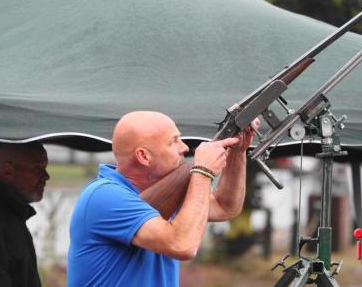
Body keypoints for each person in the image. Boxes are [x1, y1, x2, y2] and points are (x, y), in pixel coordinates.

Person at [68, 111, 257, 286]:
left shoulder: (168, 192)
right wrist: (203, 172)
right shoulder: (104, 196)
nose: (184, 147)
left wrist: (237, 152)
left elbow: (225, 207)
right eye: (173, 142)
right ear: (144, 156)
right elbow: (182, 245)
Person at [0, 142, 49, 287]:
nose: (46, 177)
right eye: (37, 168)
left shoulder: (9, 219)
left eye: (45, 168)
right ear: (7, 171)